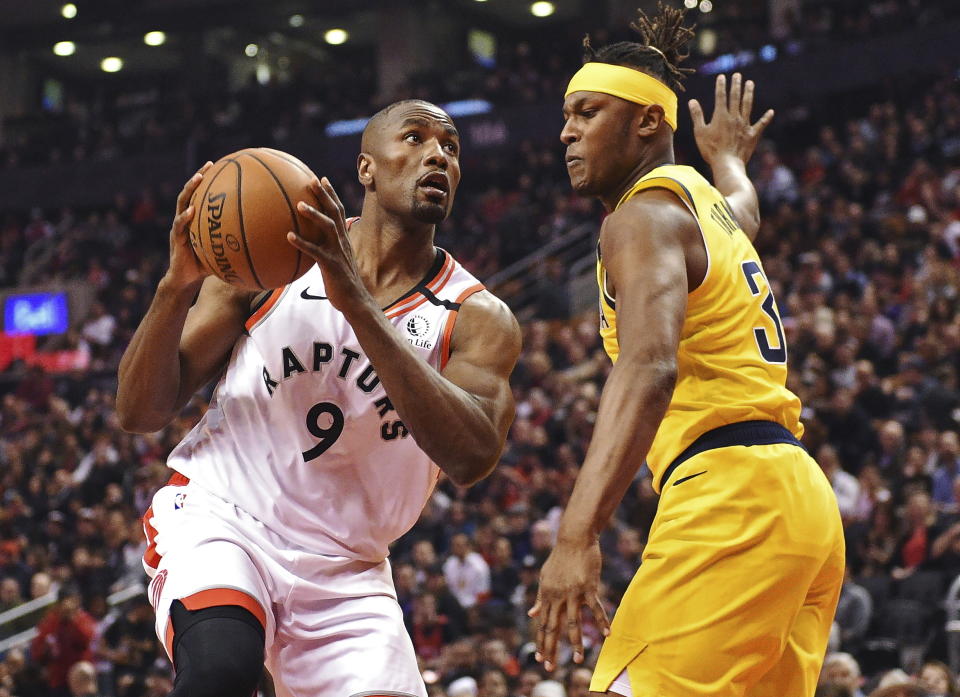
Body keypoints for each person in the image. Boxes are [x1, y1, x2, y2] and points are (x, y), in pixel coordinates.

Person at [116, 99, 521, 697]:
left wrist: (356, 302)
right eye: (414, 138)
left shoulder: (475, 316)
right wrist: (175, 287)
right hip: (226, 520)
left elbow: (472, 457)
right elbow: (138, 412)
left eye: (451, 148)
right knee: (221, 669)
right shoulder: (274, 258)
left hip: (348, 572)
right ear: (366, 170)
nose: (437, 154)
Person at [529, 4, 845, 695]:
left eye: (587, 112)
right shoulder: (705, 204)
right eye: (566, 115)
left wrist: (576, 535)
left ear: (647, 121)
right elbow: (746, 205)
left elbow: (649, 366)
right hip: (798, 502)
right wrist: (729, 160)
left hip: (732, 498)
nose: (566, 132)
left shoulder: (639, 216)